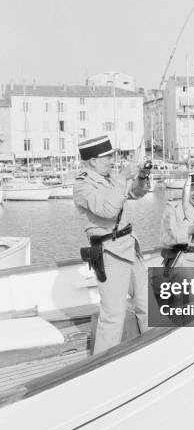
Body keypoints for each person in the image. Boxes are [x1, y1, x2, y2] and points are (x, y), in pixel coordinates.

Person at [73, 135, 151, 354]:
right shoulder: (82, 186)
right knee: (113, 315)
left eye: (111, 156)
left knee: (147, 305)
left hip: (130, 247)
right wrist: (122, 178)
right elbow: (108, 210)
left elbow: (135, 193)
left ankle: (155, 347)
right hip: (110, 253)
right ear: (92, 161)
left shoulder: (108, 178)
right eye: (106, 157)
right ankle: (102, 365)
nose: (111, 161)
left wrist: (142, 177)